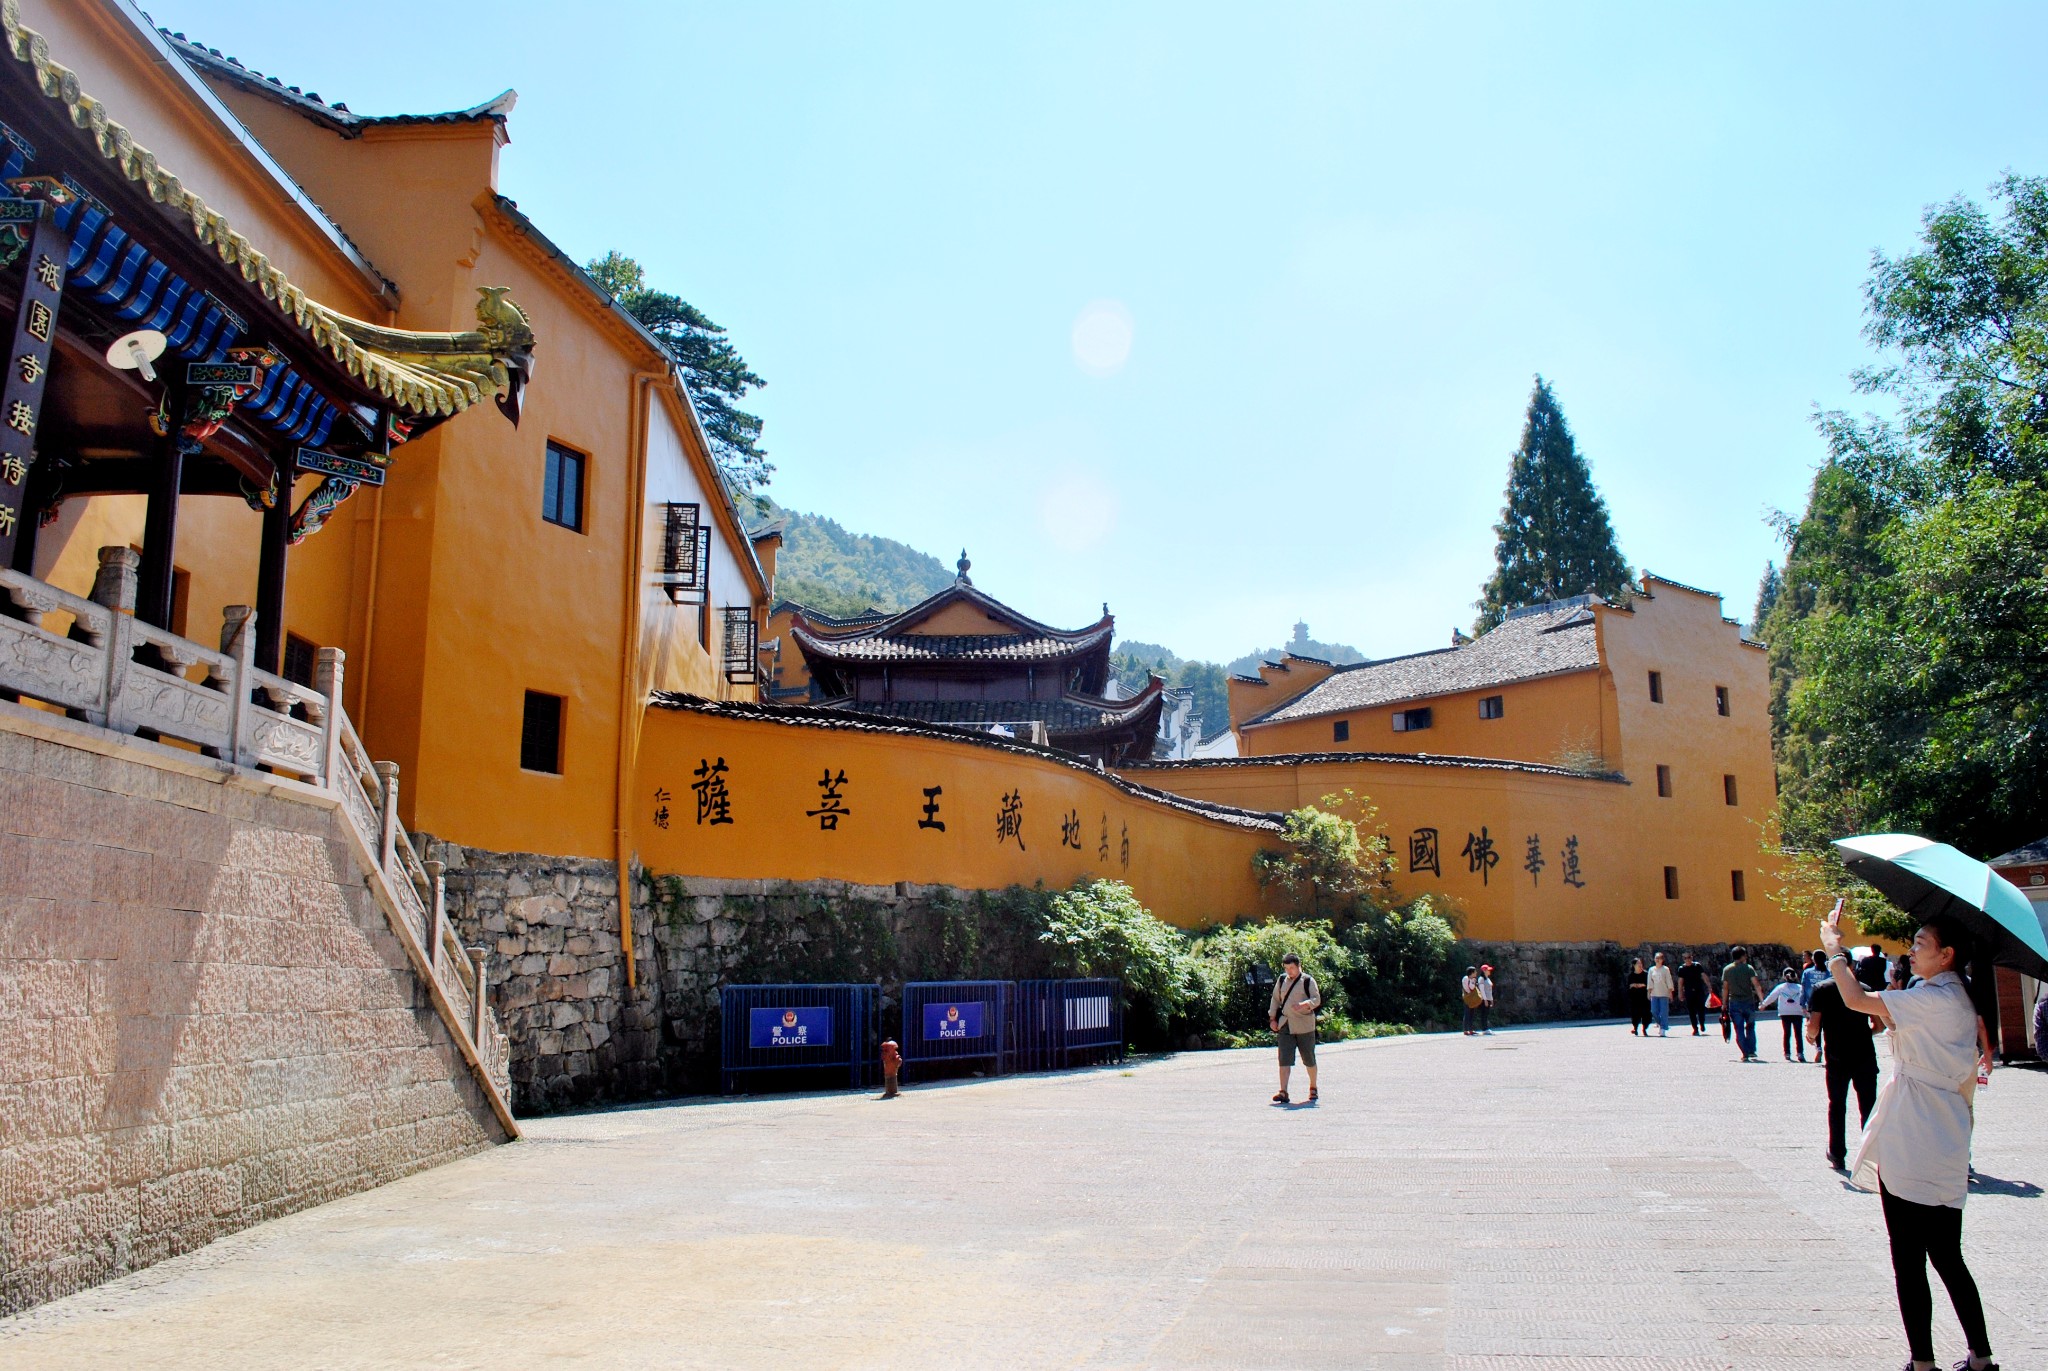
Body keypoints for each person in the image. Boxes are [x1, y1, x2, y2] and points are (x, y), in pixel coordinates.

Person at [1819, 902, 1999, 1371]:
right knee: (1946, 1255)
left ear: (1947, 955)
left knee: (1909, 1258)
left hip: (1914, 1131)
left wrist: (1835, 951)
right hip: (1942, 1130)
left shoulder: (1935, 998)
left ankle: (1923, 1363)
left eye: (1922, 944)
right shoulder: (1955, 995)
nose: (1913, 950)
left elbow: (1858, 1001)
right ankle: (1980, 1358)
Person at [1806, 966, 1878, 1170]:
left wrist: (1811, 1038)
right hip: (1865, 1055)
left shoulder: (1822, 989)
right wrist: (1864, 1034)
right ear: (1852, 966)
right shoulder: (1864, 988)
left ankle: (1837, 1154)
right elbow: (1878, 1025)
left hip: (1837, 1056)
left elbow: (1814, 1025)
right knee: (1869, 1106)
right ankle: (1870, 1156)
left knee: (1837, 1105)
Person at [1270, 953, 1321, 1104]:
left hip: (1304, 1024)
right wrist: (1272, 1018)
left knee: (1309, 1058)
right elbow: (1275, 999)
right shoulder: (1281, 980)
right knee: (1284, 1059)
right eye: (1286, 968)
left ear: (1299, 966)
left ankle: (1313, 1087)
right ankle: (1283, 1091)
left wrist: (1304, 1004)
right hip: (1285, 1024)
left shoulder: (1308, 981)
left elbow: (1316, 999)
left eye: (1292, 968)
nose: (1289, 971)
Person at [1721, 945, 1764, 1061]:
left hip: (1734, 1002)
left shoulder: (1727, 970)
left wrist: (1724, 1004)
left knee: (1738, 1028)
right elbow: (1756, 985)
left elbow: (1725, 988)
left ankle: (1744, 1052)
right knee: (1750, 1027)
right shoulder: (1748, 968)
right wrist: (1762, 1001)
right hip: (1748, 1002)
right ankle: (1751, 1050)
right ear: (1742, 956)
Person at [1758, 968, 1808, 1061]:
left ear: (1784, 977)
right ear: (1795, 976)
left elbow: (1772, 997)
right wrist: (1807, 1010)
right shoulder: (1800, 987)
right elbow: (1805, 999)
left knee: (1787, 1033)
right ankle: (1800, 1053)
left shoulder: (1781, 987)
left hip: (1785, 1012)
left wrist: (1763, 1005)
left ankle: (1787, 1053)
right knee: (1798, 1034)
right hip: (1797, 1012)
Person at [1799, 948, 1832, 1065]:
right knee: (1827, 1029)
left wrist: (1802, 1003)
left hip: (1812, 1004)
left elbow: (1803, 988)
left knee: (1815, 1027)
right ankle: (1829, 1052)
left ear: (1813, 959)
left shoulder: (1807, 972)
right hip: (1828, 1005)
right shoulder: (1829, 973)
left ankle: (1818, 1048)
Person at [1677, 953, 1710, 1035]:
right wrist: (1680, 992)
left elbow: (1703, 976)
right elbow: (1680, 982)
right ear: (1683, 959)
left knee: (1701, 1009)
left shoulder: (1697, 966)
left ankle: (1702, 1023)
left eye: (1688, 957)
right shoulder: (1682, 969)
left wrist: (1709, 986)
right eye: (1685, 958)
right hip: (1688, 992)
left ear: (1691, 958)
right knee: (1691, 1011)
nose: (1687, 959)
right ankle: (1695, 1028)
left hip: (1699, 991)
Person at [1645, 951, 1675, 1037]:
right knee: (1654, 1011)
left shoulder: (1665, 969)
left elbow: (1669, 981)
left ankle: (1663, 1028)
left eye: (1659, 958)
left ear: (1662, 960)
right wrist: (1649, 992)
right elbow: (1649, 982)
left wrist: (1670, 992)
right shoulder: (1651, 970)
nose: (1658, 960)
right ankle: (1660, 1023)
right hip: (1654, 994)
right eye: (1656, 958)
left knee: (1664, 1012)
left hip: (1664, 994)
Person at [1625, 957, 1651, 1036]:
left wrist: (1636, 985)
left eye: (1640, 963)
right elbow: (1629, 986)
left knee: (1646, 1013)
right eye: (1638, 963)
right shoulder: (1631, 975)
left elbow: (1647, 985)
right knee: (1635, 1013)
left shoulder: (1646, 974)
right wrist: (1638, 985)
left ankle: (1644, 1028)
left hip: (1644, 997)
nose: (1640, 965)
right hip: (1634, 998)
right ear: (1634, 965)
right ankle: (1635, 1028)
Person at [1460, 965, 1481, 1036]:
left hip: (1472, 998)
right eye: (1475, 972)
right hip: (1468, 998)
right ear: (1471, 972)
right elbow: (1468, 988)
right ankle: (1465, 1030)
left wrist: (1473, 982)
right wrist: (1473, 983)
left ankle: (1471, 1029)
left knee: (1472, 1013)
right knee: (1467, 1013)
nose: (1476, 973)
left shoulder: (1473, 979)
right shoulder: (1465, 979)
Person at [1476, 964, 1495, 1035]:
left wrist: (1491, 1000)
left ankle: (1486, 1028)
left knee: (1486, 1014)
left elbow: (1490, 990)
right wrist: (1485, 1000)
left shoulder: (1488, 979)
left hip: (1489, 998)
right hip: (1484, 999)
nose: (1489, 971)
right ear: (1484, 971)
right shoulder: (1481, 979)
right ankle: (1484, 1029)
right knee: (1483, 1014)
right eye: (1488, 970)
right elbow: (1482, 990)